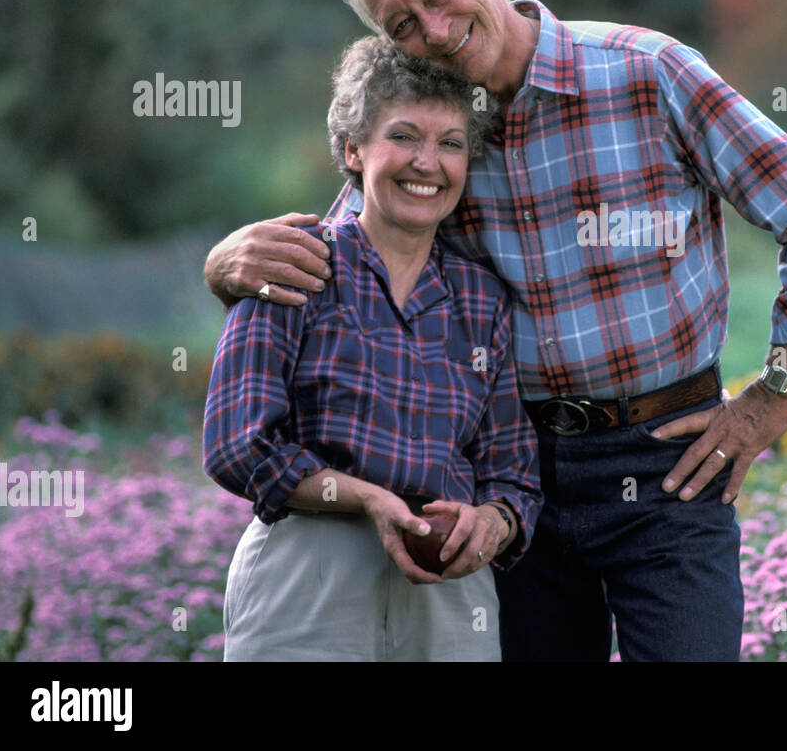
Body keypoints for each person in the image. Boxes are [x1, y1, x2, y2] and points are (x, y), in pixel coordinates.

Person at [204, 0, 787, 661]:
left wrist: (772, 397)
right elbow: (348, 244)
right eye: (400, 24)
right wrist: (223, 264)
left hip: (668, 463)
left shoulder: (647, 71)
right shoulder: (442, 138)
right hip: (513, 476)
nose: (431, 29)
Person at [203, 35, 541, 661]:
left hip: (447, 585)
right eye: (404, 136)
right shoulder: (294, 264)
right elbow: (235, 446)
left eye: (451, 144)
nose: (427, 163)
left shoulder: (482, 298)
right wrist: (365, 498)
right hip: (311, 573)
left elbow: (512, 470)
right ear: (355, 149)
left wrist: (493, 522)